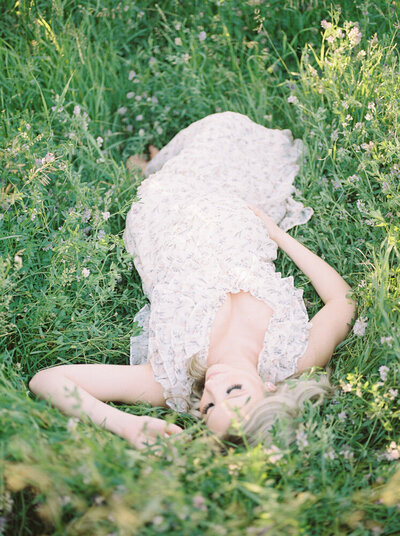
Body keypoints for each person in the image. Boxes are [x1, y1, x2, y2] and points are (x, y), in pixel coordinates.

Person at [29, 112, 357, 449]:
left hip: (167, 217)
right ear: (269, 389)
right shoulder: (295, 358)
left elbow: (48, 380)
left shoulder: (172, 380)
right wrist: (275, 234)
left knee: (192, 159)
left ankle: (153, 169)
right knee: (232, 128)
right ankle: (157, 162)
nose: (213, 385)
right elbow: (343, 301)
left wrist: (128, 425)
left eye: (209, 406)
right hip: (234, 218)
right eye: (233, 391)